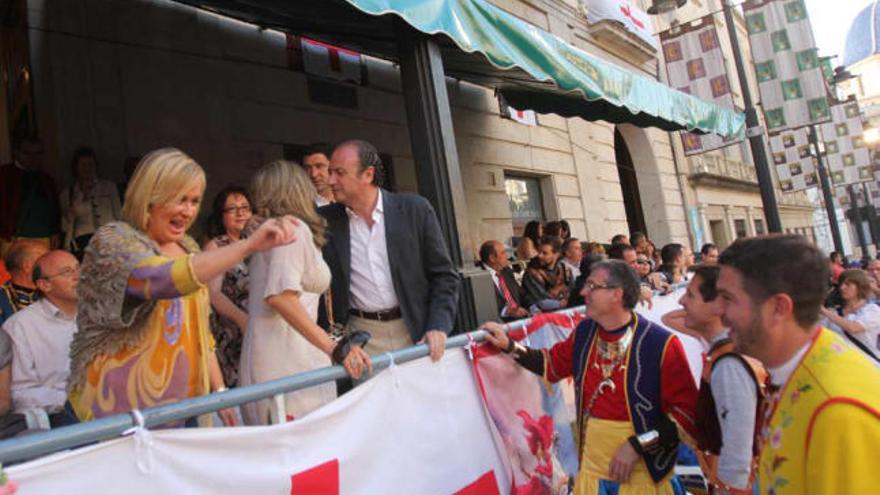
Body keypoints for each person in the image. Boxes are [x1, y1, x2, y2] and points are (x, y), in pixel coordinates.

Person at [67, 148, 299, 428]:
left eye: (194, 201)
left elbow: (201, 331)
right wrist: (247, 245)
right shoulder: (113, 240)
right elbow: (160, 279)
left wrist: (220, 392)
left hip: (186, 412)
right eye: (179, 199)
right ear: (149, 196)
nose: (188, 211)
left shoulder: (187, 246)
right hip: (115, 417)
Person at [483, 260, 698, 494]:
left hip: (643, 477)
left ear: (617, 294)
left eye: (592, 286)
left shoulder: (660, 344)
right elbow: (550, 364)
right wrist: (509, 345)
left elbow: (686, 415)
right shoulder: (585, 333)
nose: (583, 292)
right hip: (593, 473)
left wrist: (638, 445)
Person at [714, 235, 880, 495]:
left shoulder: (837, 411)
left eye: (728, 298)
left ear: (779, 308)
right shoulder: (797, 370)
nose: (717, 310)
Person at [240, 161, 370, 425]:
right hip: (290, 355)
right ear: (297, 189)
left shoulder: (270, 231)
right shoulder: (292, 230)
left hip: (268, 351)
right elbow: (279, 296)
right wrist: (334, 348)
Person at [320, 139, 460, 361]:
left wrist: (438, 325)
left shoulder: (415, 210)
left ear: (368, 174)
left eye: (339, 173)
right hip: (360, 342)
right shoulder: (325, 221)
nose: (330, 181)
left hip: (417, 332)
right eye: (330, 172)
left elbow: (444, 276)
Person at [662, 265, 765, 494]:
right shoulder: (730, 351)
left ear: (718, 304)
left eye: (691, 295)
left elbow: (738, 451)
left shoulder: (729, 363)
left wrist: (726, 489)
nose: (681, 301)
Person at [2, 250, 79, 428]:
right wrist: (75, 398)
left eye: (78, 268)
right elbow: (19, 393)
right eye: (67, 272)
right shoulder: (20, 326)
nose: (78, 276)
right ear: (44, 285)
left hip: (111, 407)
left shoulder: (98, 314)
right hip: (59, 419)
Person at [203, 185, 253, 388]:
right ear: (221, 216)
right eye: (232, 209)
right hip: (232, 329)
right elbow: (213, 294)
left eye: (245, 207)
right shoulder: (216, 246)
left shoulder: (258, 242)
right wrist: (242, 320)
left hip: (259, 326)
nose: (240, 213)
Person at [0, 137, 61, 257]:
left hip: (43, 237)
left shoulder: (46, 179)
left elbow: (54, 209)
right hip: (11, 237)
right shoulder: (4, 175)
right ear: (17, 153)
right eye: (27, 153)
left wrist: (55, 231)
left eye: (38, 153)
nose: (33, 158)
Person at [59, 147, 122, 260]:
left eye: (90, 164)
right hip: (82, 243)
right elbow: (65, 225)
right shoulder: (68, 194)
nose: (87, 169)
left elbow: (118, 215)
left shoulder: (108, 187)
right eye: (83, 165)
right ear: (76, 167)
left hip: (107, 241)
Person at [820, 269, 880, 360]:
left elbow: (853, 328)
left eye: (848, 284)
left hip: (868, 366)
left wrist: (824, 311)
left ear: (860, 286)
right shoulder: (835, 312)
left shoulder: (872, 310)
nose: (842, 288)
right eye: (841, 284)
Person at [0, 240, 48, 325]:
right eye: (46, 260)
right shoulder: (3, 300)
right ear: (27, 266)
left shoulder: (53, 295)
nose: (53, 266)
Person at [480, 240, 529, 321]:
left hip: (520, 317)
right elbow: (484, 305)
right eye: (503, 253)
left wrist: (532, 306)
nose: (506, 256)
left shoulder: (506, 270)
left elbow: (521, 293)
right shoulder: (480, 277)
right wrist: (507, 311)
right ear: (492, 258)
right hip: (499, 322)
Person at [522, 237, 572, 311]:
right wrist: (565, 303)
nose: (539, 255)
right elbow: (541, 302)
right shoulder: (532, 273)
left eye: (544, 253)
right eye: (539, 252)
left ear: (556, 255)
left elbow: (572, 289)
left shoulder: (564, 269)